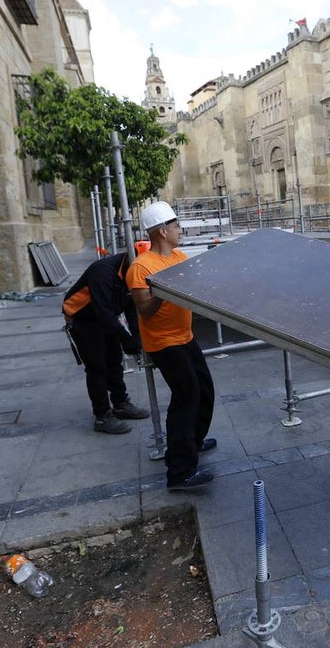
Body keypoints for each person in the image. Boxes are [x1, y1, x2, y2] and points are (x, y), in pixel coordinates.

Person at [126, 201, 216, 491]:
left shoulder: (180, 257)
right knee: (186, 395)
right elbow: (145, 311)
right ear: (162, 231)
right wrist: (162, 290)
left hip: (185, 336)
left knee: (205, 389)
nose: (181, 230)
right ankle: (179, 472)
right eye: (177, 226)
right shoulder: (141, 267)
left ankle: (194, 440)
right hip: (163, 342)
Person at [62, 251, 150, 434]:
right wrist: (124, 337)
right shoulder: (103, 272)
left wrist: (135, 338)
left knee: (114, 361)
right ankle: (102, 416)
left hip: (105, 316)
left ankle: (120, 403)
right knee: (97, 367)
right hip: (83, 319)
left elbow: (130, 308)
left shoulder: (131, 271)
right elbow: (102, 311)